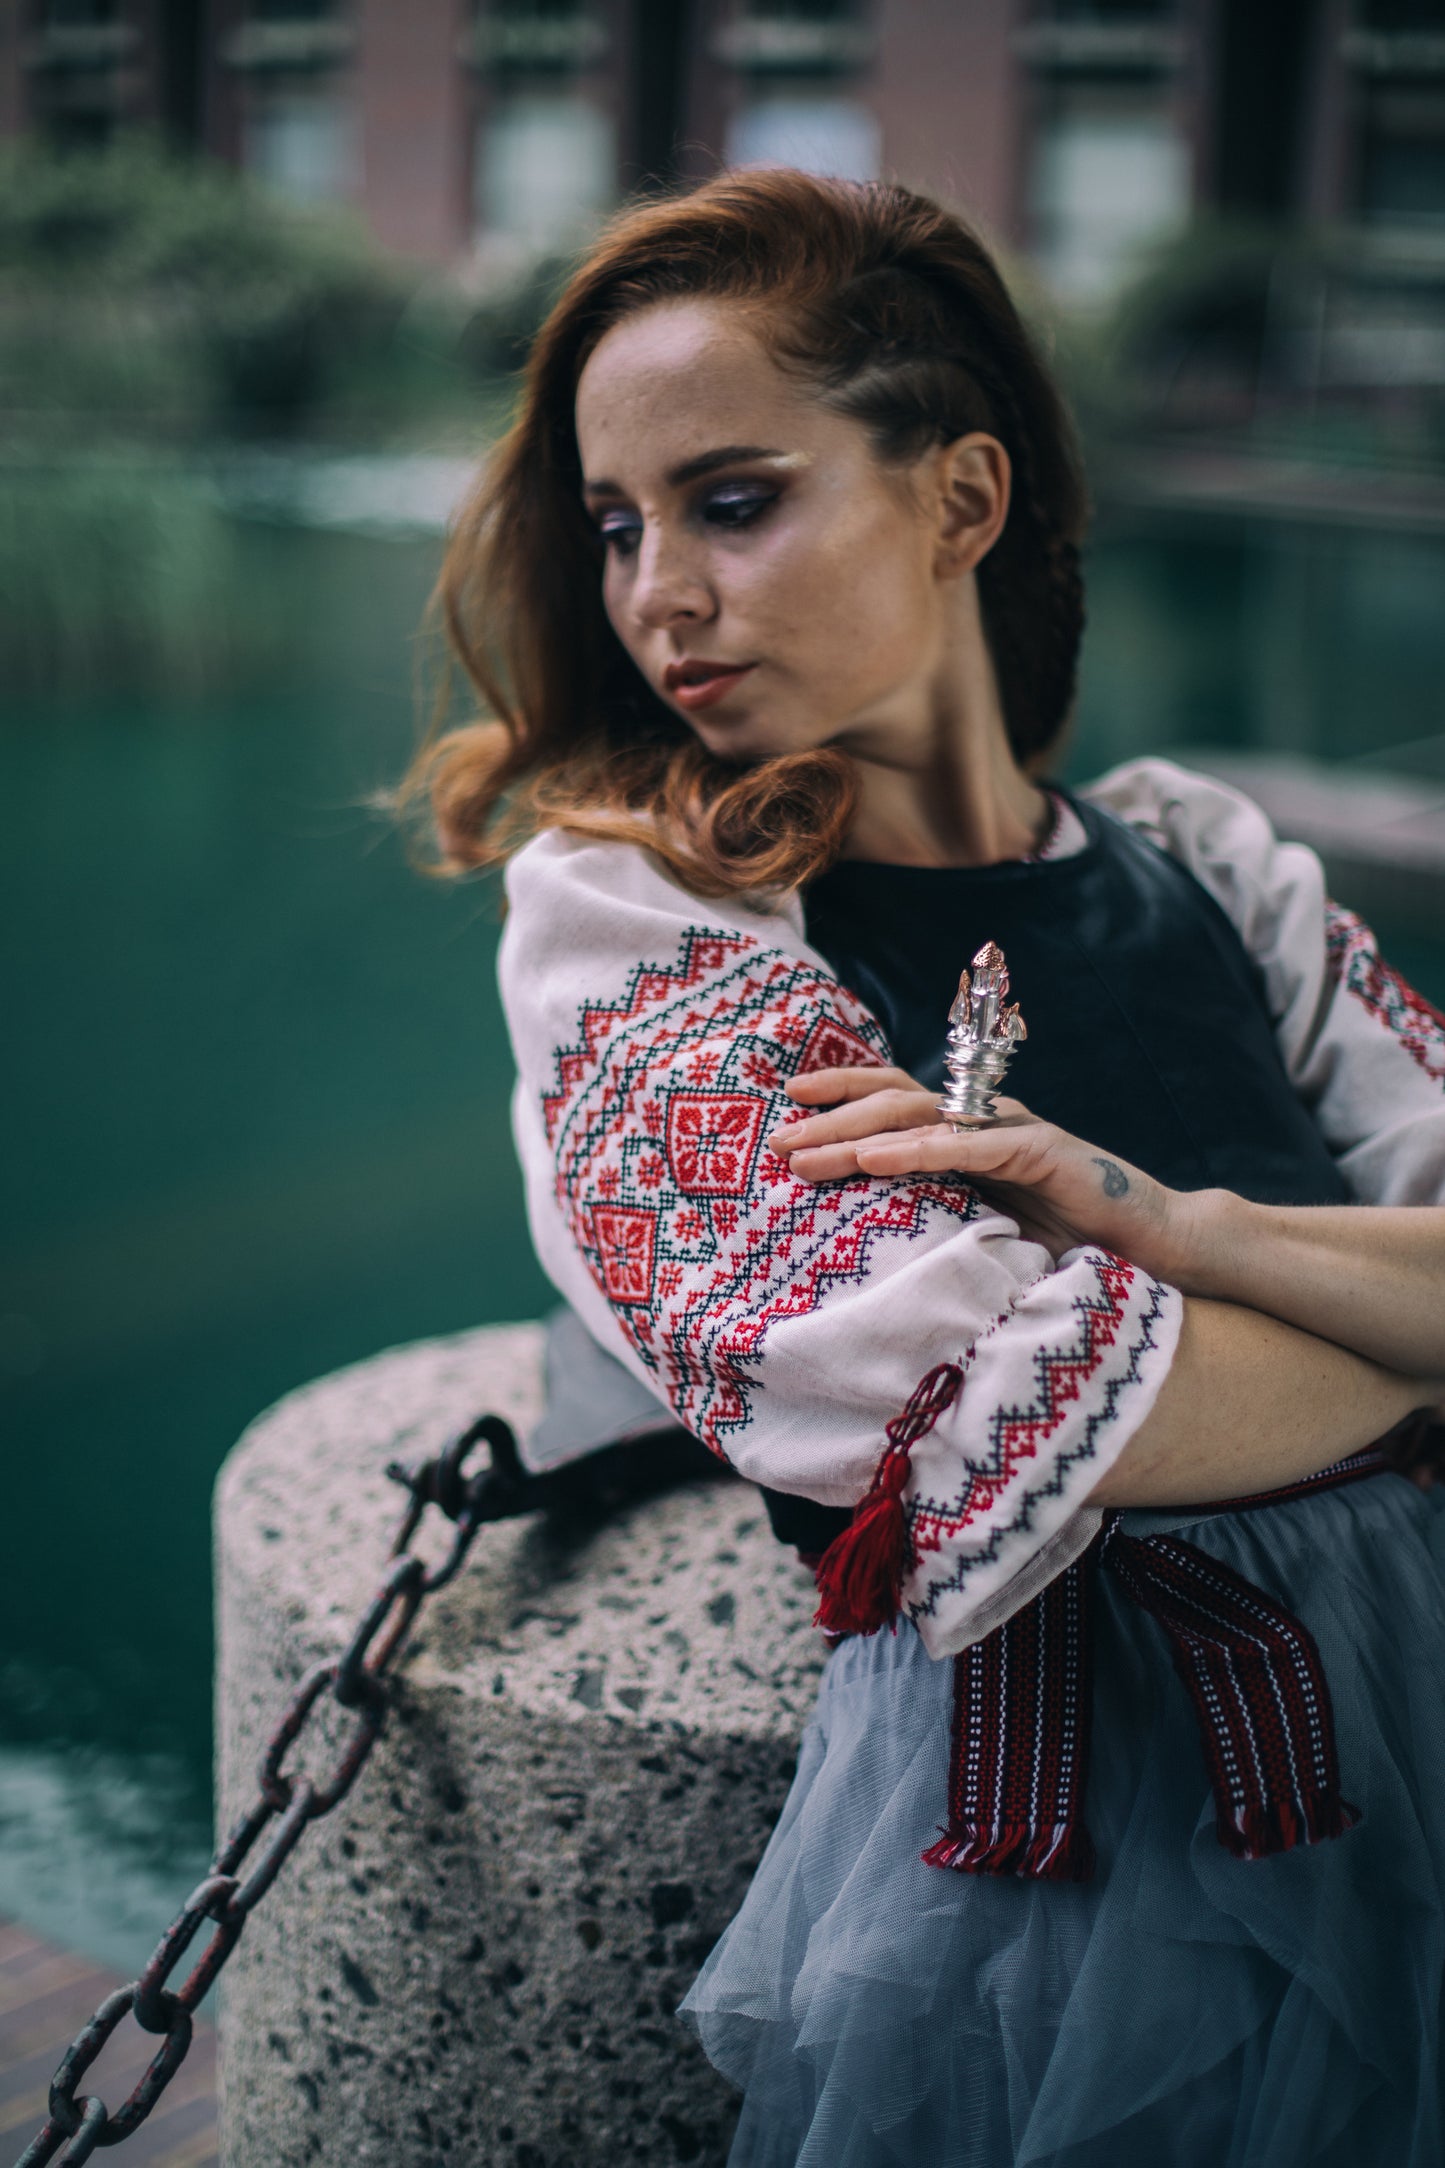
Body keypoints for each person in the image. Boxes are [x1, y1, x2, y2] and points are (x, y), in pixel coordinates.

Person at [405, 168, 1445, 2166]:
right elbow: (960, 1398)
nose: (656, 595)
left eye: (731, 500)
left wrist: (1174, 1225)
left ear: (959, 499)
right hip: (1073, 1835)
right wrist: (1408, 1346)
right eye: (615, 527)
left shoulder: (1206, 862)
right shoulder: (642, 917)